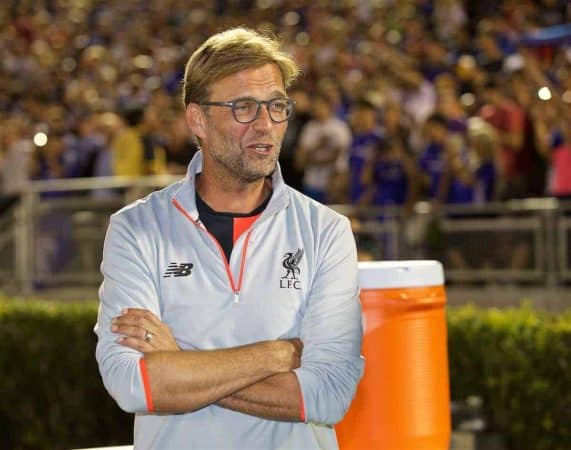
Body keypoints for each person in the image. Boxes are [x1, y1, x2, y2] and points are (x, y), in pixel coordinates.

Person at [94, 27, 364, 450]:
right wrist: (277, 355)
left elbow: (328, 395)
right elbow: (133, 385)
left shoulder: (325, 231)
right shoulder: (137, 229)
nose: (266, 125)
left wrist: (179, 362)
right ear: (197, 119)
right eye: (243, 108)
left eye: (277, 106)